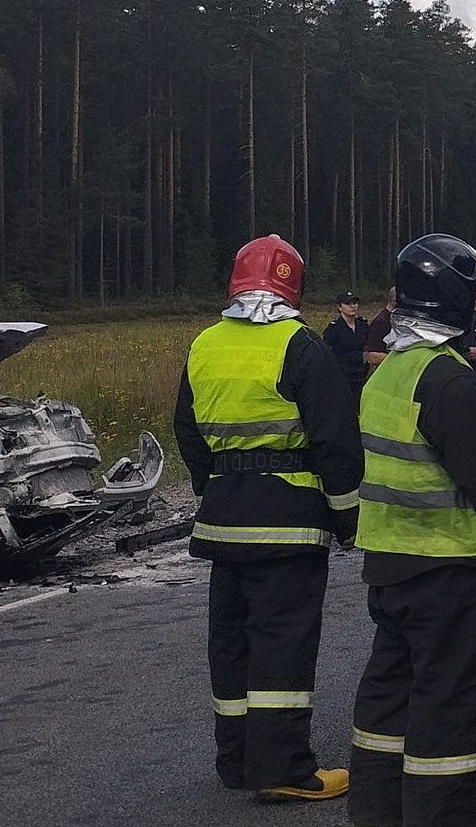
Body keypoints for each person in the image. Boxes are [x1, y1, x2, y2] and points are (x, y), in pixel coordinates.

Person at [346, 234, 476, 827]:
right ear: (454, 302)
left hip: (388, 564)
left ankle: (377, 812)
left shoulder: (388, 375)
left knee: (389, 699)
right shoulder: (447, 381)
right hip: (447, 568)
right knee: (450, 709)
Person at [173, 234, 364, 803]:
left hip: (223, 519)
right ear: (293, 288)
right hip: (288, 523)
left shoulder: (204, 344)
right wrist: (349, 517)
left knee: (230, 642)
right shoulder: (301, 345)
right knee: (283, 641)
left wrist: (215, 484)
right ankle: (282, 768)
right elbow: (335, 437)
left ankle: (236, 760)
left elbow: (187, 428)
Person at [324, 290, 371, 392]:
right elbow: (327, 355)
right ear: (339, 307)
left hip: (361, 375)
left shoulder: (363, 325)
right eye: (347, 303)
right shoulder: (333, 329)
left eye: (354, 303)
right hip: (342, 378)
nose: (352, 306)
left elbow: (369, 346)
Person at [362, 286, 396, 375]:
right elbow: (373, 356)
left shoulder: (396, 320)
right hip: (385, 374)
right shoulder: (381, 323)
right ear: (395, 301)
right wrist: (402, 359)